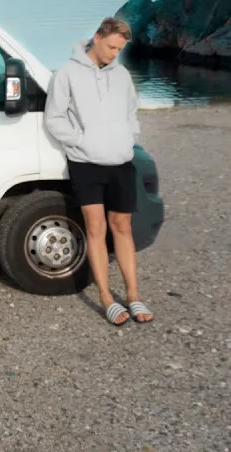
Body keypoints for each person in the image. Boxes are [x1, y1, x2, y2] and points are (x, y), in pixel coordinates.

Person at [44, 17, 154, 327]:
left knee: (122, 226)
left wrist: (127, 138)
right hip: (86, 163)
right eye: (110, 47)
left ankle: (133, 295)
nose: (113, 54)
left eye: (119, 49)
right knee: (95, 228)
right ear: (96, 38)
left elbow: (131, 112)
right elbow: (54, 118)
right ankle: (106, 298)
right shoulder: (66, 73)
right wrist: (82, 141)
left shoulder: (121, 75)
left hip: (120, 161)